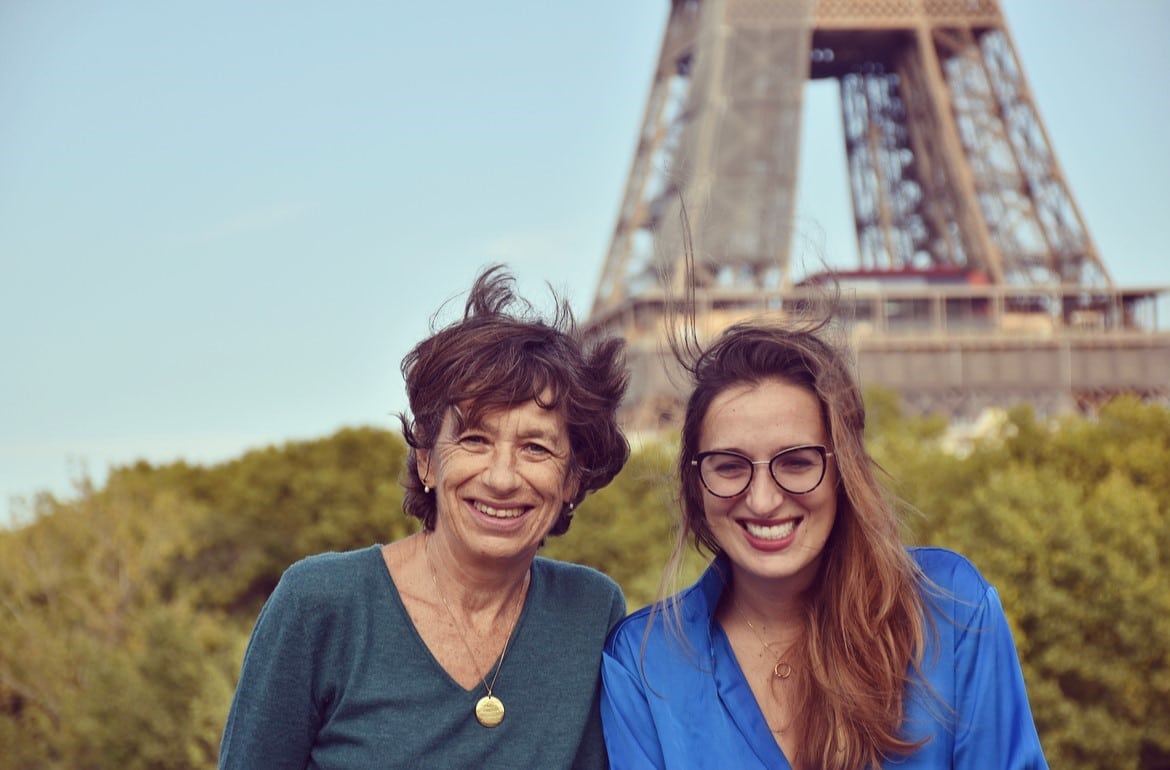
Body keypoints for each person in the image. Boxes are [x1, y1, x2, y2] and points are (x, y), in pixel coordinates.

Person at [219, 264, 631, 769]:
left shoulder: (592, 610)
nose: (501, 476)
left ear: (571, 479)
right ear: (427, 460)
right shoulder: (319, 604)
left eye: (536, 447)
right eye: (475, 439)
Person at [600, 318, 1048, 769]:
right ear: (695, 482)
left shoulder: (952, 609)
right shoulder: (641, 663)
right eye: (729, 466)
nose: (762, 499)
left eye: (796, 462)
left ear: (842, 471)